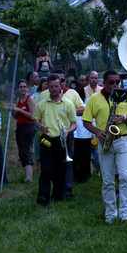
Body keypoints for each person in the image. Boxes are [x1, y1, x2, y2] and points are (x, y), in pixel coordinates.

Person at [83, 70, 127, 224]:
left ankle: (125, 214)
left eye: (118, 82)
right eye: (111, 82)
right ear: (104, 83)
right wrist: (97, 132)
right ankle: (110, 214)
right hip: (104, 142)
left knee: (124, 177)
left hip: (123, 140)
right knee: (107, 180)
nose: (115, 85)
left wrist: (126, 118)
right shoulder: (94, 99)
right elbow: (86, 121)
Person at [34, 74, 76, 206]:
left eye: (56, 86)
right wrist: (40, 126)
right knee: (46, 169)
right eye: (51, 86)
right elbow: (35, 120)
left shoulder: (68, 104)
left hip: (61, 139)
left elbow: (74, 123)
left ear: (60, 87)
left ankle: (58, 195)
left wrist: (68, 131)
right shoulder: (41, 104)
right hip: (46, 139)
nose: (54, 89)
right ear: (48, 87)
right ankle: (43, 196)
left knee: (60, 169)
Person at [12, 80, 36, 183]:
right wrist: (13, 111)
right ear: (18, 88)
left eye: (24, 86)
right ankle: (27, 174)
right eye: (21, 86)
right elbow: (15, 116)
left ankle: (29, 176)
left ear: (27, 88)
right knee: (21, 151)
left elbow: (33, 115)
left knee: (27, 150)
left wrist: (20, 110)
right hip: (20, 127)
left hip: (29, 127)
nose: (23, 88)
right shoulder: (18, 99)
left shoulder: (29, 99)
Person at [73, 77, 92, 183]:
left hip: (85, 133)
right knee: (76, 156)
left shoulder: (87, 102)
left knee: (85, 156)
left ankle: (85, 175)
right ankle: (77, 175)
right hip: (75, 133)